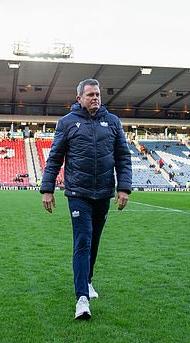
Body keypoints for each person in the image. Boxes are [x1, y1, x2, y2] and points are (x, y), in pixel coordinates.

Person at [40, 78, 132, 320]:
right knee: (82, 239)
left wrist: (124, 188)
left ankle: (88, 281)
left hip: (103, 192)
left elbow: (123, 156)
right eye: (90, 94)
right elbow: (55, 157)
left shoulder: (112, 122)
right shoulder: (67, 123)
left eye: (98, 94)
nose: (95, 98)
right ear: (79, 98)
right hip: (77, 193)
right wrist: (47, 189)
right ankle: (82, 298)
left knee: (94, 241)